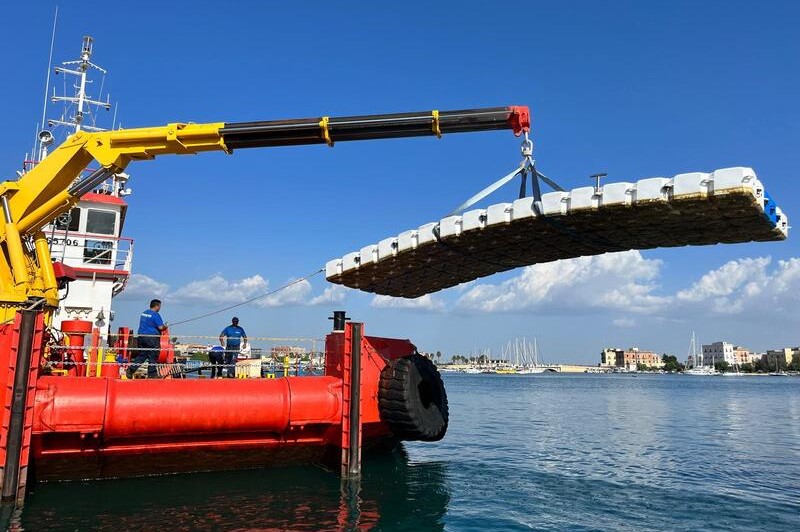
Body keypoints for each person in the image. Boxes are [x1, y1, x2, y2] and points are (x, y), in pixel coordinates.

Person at [127, 299, 167, 379]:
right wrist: (165, 326)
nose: (160, 308)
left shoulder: (144, 313)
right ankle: (152, 375)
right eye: (160, 306)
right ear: (157, 306)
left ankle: (131, 370)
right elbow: (160, 327)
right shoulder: (155, 315)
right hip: (152, 338)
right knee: (153, 355)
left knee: (143, 355)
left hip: (141, 337)